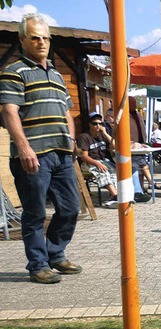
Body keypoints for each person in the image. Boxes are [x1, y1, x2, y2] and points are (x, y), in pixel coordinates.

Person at [0, 13, 81, 284]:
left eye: (45, 38)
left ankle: (55, 253)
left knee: (70, 208)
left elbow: (67, 112)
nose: (41, 42)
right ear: (22, 39)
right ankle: (38, 264)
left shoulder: (58, 76)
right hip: (33, 155)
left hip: (61, 154)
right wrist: (24, 148)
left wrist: (70, 140)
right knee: (35, 213)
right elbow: (10, 112)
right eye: (35, 37)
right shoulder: (14, 72)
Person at [76, 112, 118, 207]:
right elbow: (84, 156)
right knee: (104, 172)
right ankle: (115, 196)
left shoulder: (102, 135)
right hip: (89, 162)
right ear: (89, 124)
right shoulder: (84, 137)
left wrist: (105, 133)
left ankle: (113, 197)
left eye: (100, 123)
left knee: (116, 172)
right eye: (95, 124)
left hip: (103, 161)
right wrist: (97, 164)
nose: (98, 126)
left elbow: (115, 146)